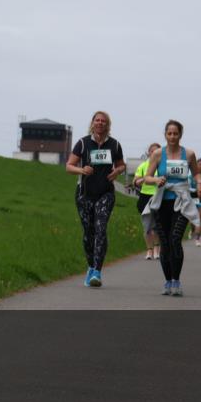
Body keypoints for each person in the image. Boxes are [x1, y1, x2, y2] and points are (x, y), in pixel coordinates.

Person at [140, 120, 201, 297]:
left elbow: (196, 172)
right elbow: (147, 177)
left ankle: (176, 280)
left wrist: (198, 183)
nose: (173, 136)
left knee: (175, 239)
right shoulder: (158, 154)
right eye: (169, 133)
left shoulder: (189, 154)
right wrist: (156, 180)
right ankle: (167, 281)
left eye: (176, 133)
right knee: (166, 243)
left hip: (182, 201)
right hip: (162, 202)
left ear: (180, 135)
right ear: (165, 135)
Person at [65, 111, 126, 288]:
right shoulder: (83, 143)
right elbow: (69, 166)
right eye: (97, 120)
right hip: (84, 194)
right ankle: (90, 266)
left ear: (108, 125)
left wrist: (117, 171)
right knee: (88, 232)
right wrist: (82, 170)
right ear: (92, 123)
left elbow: (121, 164)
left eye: (103, 121)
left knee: (100, 228)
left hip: (105, 193)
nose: (100, 123)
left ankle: (97, 272)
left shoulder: (114, 145)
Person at [133, 143, 162, 260]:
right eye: (152, 152)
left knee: (157, 226)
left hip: (159, 196)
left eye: (157, 151)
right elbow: (135, 182)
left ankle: (156, 249)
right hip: (145, 196)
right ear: (149, 153)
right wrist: (141, 180)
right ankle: (149, 250)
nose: (154, 154)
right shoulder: (143, 166)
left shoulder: (162, 166)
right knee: (147, 226)